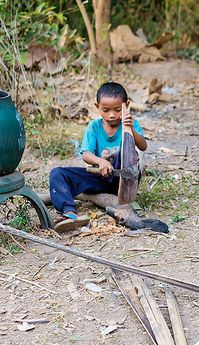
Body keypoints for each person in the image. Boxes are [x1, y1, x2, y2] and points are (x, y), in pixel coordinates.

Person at [49, 82, 147, 233]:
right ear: (97, 106)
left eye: (117, 110)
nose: (112, 115)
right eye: (106, 110)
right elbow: (86, 154)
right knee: (57, 173)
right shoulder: (94, 126)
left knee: (125, 148)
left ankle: (122, 196)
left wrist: (131, 129)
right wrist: (100, 161)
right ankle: (69, 213)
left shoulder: (131, 124)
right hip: (100, 178)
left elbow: (143, 146)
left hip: (124, 181)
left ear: (126, 105)